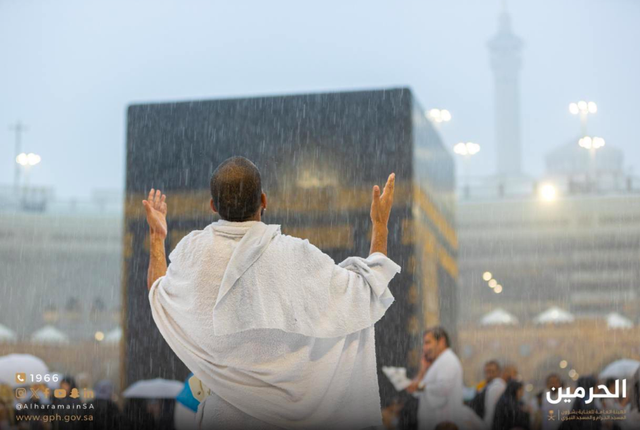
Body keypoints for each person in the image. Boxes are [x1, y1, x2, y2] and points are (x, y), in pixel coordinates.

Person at [143, 156, 401, 429]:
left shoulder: (193, 253)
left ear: (212, 205)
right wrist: (380, 225)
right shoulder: (296, 255)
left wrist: (157, 237)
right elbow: (366, 292)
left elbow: (157, 293)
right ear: (264, 200)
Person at [406, 327, 484, 430]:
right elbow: (415, 390)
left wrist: (419, 386)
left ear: (441, 341)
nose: (424, 348)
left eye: (428, 343)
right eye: (424, 344)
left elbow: (443, 388)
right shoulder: (438, 362)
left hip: (444, 424)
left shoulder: (448, 360)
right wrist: (423, 370)